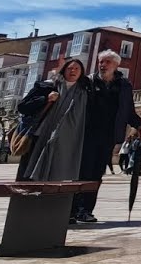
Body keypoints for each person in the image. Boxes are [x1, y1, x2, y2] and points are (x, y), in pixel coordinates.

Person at [75, 50, 141, 223]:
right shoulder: (88, 82)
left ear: (116, 65)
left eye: (107, 62)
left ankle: (86, 210)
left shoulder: (124, 85)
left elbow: (128, 110)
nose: (103, 65)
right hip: (86, 134)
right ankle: (72, 209)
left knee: (96, 173)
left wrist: (139, 125)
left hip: (108, 136)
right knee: (81, 171)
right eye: (101, 62)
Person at [17, 59, 91, 192]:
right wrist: (45, 99)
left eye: (77, 69)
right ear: (64, 70)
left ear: (81, 72)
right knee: (27, 180)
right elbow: (22, 107)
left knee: (54, 182)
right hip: (38, 138)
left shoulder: (85, 92)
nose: (73, 71)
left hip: (64, 143)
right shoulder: (47, 86)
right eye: (70, 68)